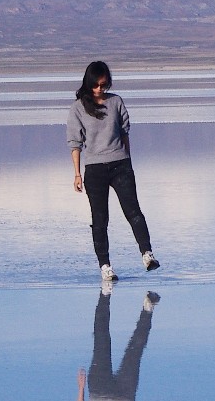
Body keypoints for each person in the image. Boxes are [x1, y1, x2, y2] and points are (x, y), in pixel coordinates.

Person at [68, 59, 158, 283]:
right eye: (97, 85)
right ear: (89, 83)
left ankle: (147, 254)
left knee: (134, 212)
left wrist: (128, 160)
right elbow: (75, 144)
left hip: (120, 165)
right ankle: (105, 266)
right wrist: (77, 174)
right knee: (100, 220)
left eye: (104, 85)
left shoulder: (116, 102)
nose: (100, 89)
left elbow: (125, 132)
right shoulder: (78, 108)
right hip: (95, 169)